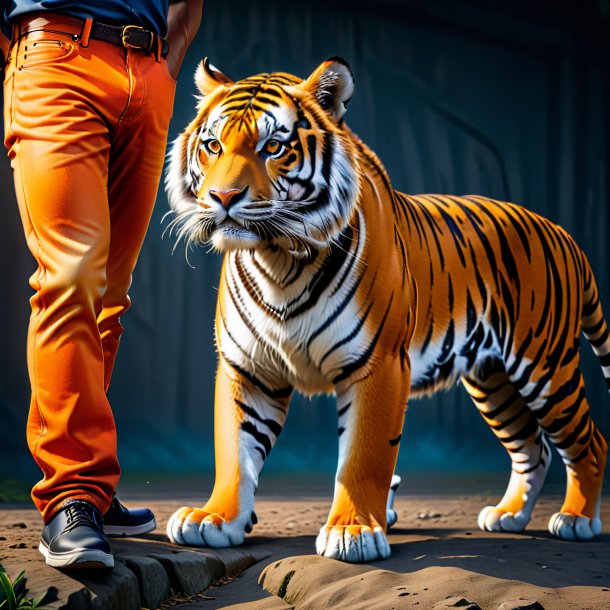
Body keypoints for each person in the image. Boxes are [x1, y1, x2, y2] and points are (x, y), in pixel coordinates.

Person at [1, 0, 204, 569]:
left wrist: (167, 65)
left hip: (148, 72)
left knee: (110, 294)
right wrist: (28, 54)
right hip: (55, 54)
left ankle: (91, 484)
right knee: (70, 276)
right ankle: (70, 495)